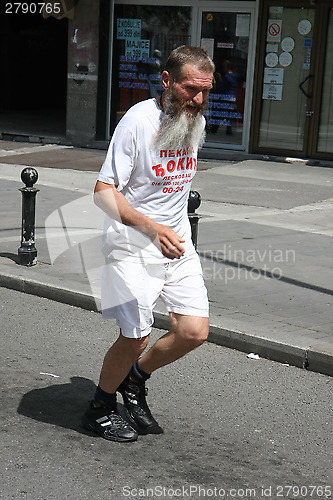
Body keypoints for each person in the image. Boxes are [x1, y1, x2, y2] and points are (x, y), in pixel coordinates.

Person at [82, 45, 215, 442]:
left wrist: (168, 230)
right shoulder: (137, 122)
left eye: (206, 91)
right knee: (136, 334)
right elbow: (103, 192)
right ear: (167, 80)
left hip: (176, 244)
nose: (199, 99)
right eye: (191, 89)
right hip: (131, 245)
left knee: (194, 331)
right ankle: (100, 409)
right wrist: (152, 228)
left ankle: (135, 379)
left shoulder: (194, 118)